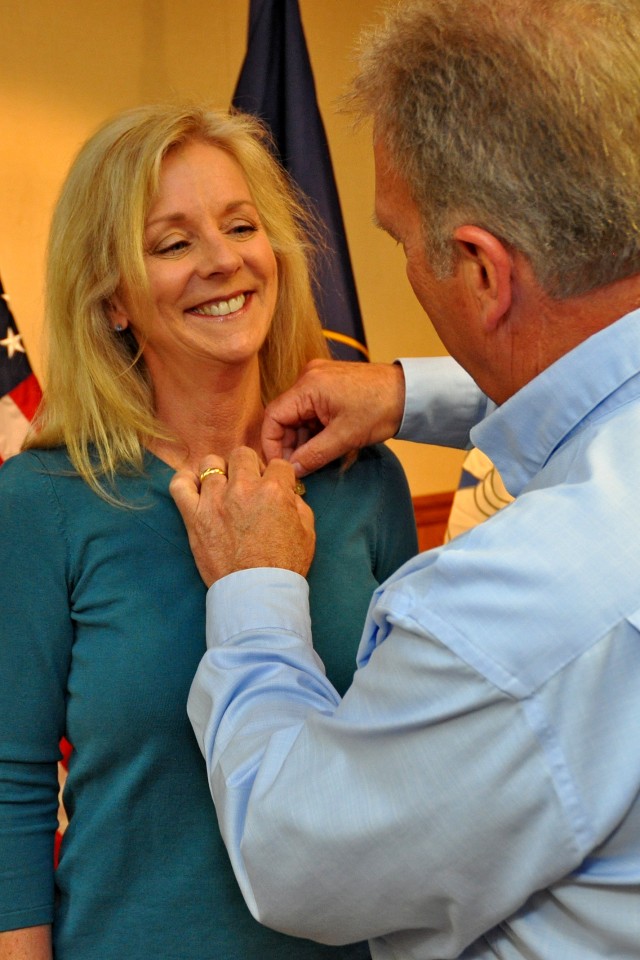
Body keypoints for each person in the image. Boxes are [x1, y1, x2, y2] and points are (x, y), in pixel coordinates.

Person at [170, 1, 640, 958]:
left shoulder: (522, 608)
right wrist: (404, 392)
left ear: (479, 270)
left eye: (396, 239)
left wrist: (253, 591)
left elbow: (296, 850)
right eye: (172, 240)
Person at [0, 103, 419, 960]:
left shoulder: (363, 479)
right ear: (114, 300)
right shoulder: (44, 499)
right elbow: (12, 786)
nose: (224, 261)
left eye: (240, 226)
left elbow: (415, 754)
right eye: (173, 243)